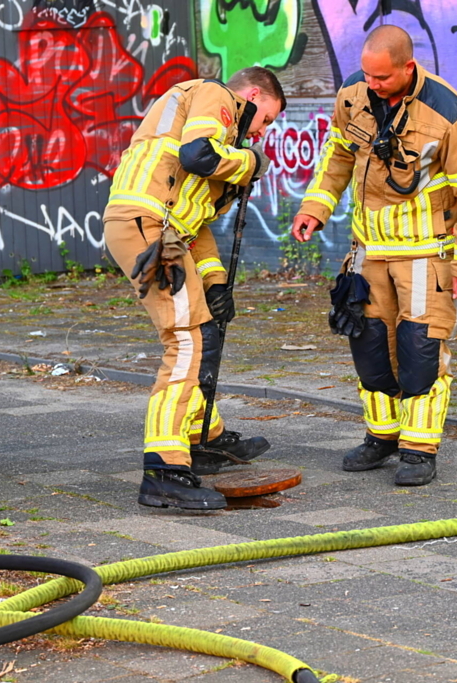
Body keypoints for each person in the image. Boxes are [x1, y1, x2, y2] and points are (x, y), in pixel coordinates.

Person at [291, 25, 457, 487]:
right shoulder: (353, 95)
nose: (372, 85)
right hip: (369, 253)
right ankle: (381, 437)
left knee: (420, 353)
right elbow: (337, 157)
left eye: (381, 78)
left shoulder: (447, 111)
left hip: (426, 255)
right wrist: (314, 208)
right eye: (366, 75)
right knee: (369, 347)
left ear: (407, 67)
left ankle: (419, 450)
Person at [103, 67, 285, 510]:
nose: (261, 133)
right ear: (254, 96)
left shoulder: (222, 131)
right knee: (186, 341)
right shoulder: (215, 96)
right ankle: (164, 469)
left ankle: (206, 435)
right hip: (149, 228)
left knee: (199, 332)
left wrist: (216, 281)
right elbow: (199, 155)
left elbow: (195, 224)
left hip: (161, 230)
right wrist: (250, 165)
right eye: (267, 120)